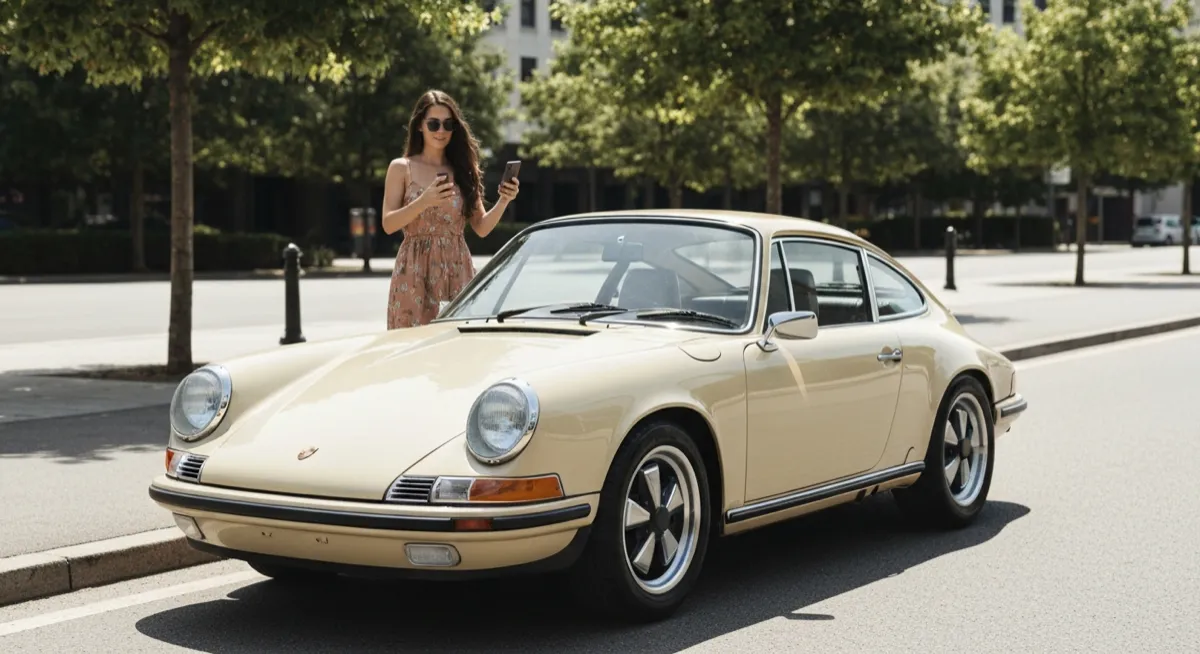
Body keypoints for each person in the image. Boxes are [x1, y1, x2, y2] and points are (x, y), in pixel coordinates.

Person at [380, 90, 519, 329]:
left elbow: (482, 228)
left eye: (448, 124)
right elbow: (388, 224)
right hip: (413, 271)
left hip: (457, 269)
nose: (441, 131)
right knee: (409, 346)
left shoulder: (464, 169)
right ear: (420, 126)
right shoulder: (401, 168)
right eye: (433, 124)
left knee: (456, 347)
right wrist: (424, 200)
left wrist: (504, 200)